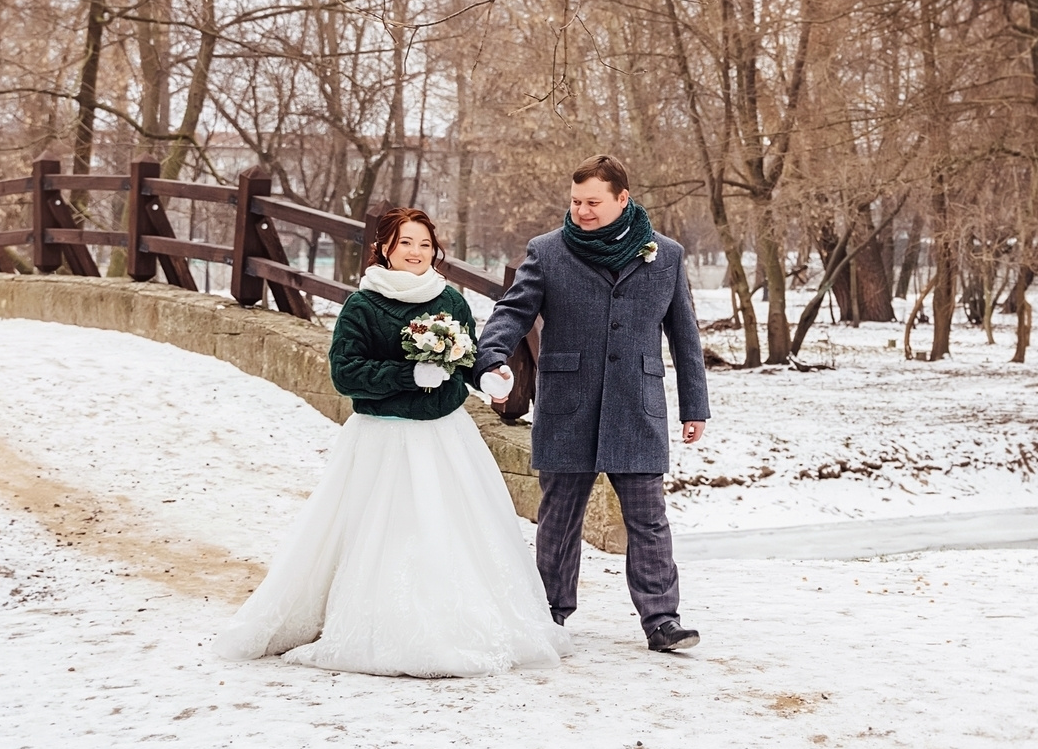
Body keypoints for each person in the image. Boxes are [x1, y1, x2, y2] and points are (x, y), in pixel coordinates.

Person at [213, 206, 571, 677]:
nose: (416, 253)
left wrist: (490, 375)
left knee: (450, 529)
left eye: (425, 244)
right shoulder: (363, 305)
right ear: (384, 247)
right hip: (381, 439)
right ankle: (375, 621)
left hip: (445, 438)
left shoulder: (451, 300)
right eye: (406, 243)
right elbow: (345, 373)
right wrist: (408, 374)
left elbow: (465, 358)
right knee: (383, 530)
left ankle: (460, 618)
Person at [474, 153, 709, 653]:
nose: (582, 210)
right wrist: (489, 356)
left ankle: (662, 620)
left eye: (593, 202)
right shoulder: (548, 251)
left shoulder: (664, 254)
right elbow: (512, 312)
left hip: (637, 405)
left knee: (648, 518)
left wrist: (695, 406)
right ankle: (550, 614)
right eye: (576, 201)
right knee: (559, 515)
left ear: (622, 199)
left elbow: (684, 336)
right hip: (567, 405)